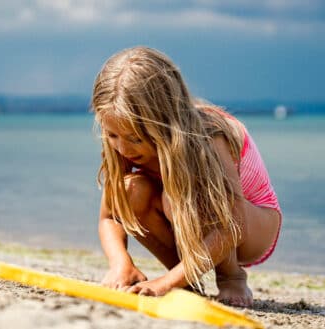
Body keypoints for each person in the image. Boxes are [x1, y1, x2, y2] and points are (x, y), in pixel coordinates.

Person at [91, 46, 282, 308]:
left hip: (251, 227)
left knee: (178, 194)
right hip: (189, 223)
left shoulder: (209, 136)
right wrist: (121, 264)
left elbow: (232, 224)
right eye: (112, 136)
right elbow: (110, 216)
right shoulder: (123, 135)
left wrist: (165, 284)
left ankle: (231, 275)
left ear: (164, 122)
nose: (123, 148)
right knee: (129, 191)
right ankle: (186, 281)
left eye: (135, 138)